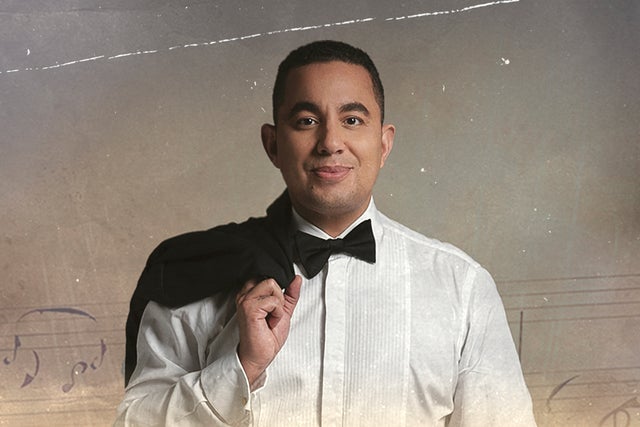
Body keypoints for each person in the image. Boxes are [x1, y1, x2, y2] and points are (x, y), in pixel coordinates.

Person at [116, 40, 536, 426]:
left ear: (384, 144)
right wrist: (241, 367)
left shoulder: (463, 288)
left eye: (352, 120)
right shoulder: (196, 273)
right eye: (307, 121)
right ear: (273, 144)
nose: (330, 142)